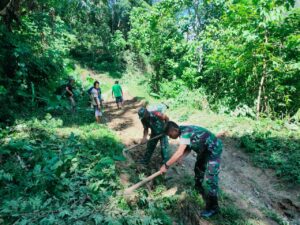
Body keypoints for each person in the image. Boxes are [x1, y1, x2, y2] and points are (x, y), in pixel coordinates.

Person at [160, 121, 223, 218]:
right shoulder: (182, 131)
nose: (170, 137)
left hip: (213, 149)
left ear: (175, 130)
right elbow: (188, 147)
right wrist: (181, 157)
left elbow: (179, 151)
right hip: (204, 149)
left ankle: (214, 208)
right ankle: (198, 188)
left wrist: (166, 165)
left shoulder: (185, 133)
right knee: (198, 168)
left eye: (170, 134)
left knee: (211, 178)